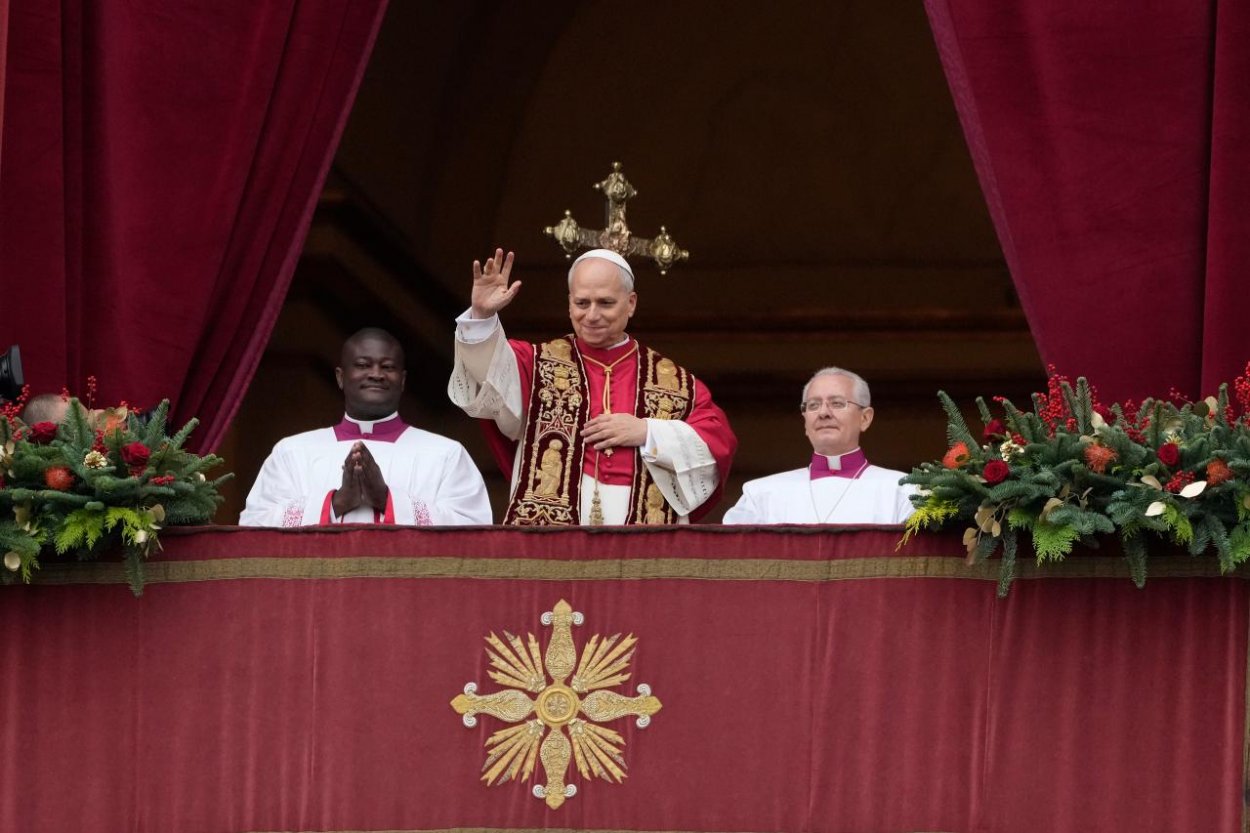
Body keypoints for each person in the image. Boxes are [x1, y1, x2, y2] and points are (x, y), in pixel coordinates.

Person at [448, 248, 737, 525]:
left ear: (631, 303)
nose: (592, 315)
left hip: (643, 532)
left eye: (606, 303)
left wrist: (648, 432)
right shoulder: (535, 363)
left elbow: (717, 443)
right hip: (556, 533)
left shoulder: (676, 382)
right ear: (569, 302)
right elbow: (490, 375)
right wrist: (482, 317)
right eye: (582, 303)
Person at [241, 328, 491, 527]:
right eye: (362, 365)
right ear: (340, 377)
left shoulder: (446, 455)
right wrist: (335, 503)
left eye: (388, 367)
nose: (376, 374)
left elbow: (473, 530)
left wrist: (386, 498)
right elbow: (253, 527)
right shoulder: (291, 453)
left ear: (402, 381)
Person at [723, 367, 914, 524]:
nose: (823, 413)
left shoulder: (904, 492)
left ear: (865, 418)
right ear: (805, 422)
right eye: (813, 405)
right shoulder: (760, 495)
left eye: (837, 403)